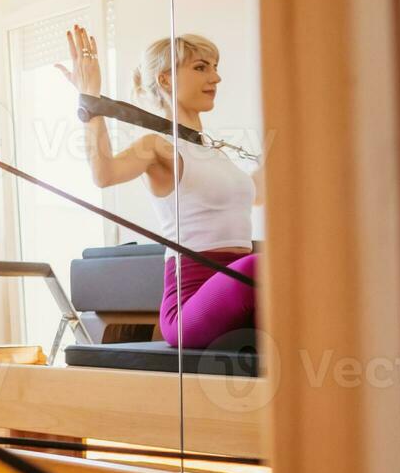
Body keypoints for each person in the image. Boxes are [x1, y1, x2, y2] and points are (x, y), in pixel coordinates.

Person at [57, 25, 263, 350]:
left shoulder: (218, 153)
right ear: (166, 80)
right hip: (192, 303)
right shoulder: (158, 146)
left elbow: (258, 194)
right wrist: (90, 103)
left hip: (243, 287)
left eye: (215, 68)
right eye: (200, 67)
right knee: (262, 265)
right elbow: (104, 174)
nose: (216, 78)